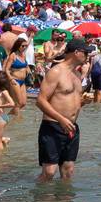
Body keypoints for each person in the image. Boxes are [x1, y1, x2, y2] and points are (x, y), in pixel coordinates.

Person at [36, 38, 88, 181]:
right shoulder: (56, 71)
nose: (87, 56)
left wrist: (83, 102)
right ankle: (40, 201)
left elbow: (69, 101)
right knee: (49, 172)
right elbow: (40, 100)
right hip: (53, 126)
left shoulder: (77, 75)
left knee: (68, 171)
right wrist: (61, 119)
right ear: (76, 52)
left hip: (71, 127)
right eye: (85, 52)